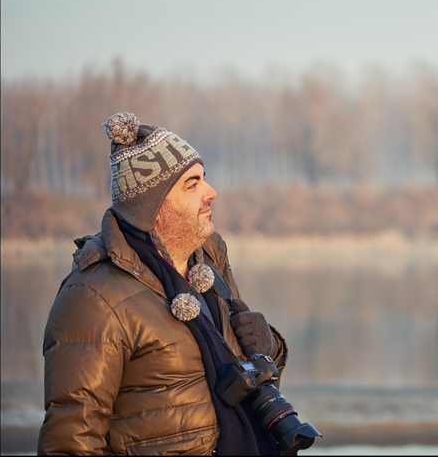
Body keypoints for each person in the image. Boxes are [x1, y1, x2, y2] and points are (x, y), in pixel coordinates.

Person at [38, 112, 287, 455]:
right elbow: (70, 444)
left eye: (204, 179)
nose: (211, 192)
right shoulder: (94, 296)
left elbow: (238, 388)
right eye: (192, 184)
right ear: (152, 207)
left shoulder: (209, 267)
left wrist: (267, 350)